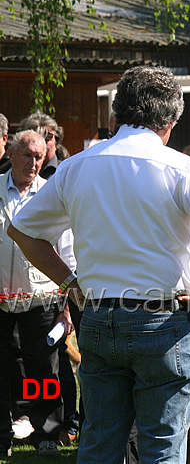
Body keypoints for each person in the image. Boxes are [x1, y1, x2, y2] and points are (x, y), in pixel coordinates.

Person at [7, 65, 190, 464]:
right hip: (164, 321)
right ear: (169, 122)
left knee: (99, 445)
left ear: (116, 114)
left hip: (100, 318)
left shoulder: (76, 165)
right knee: (163, 450)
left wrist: (69, 282)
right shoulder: (182, 168)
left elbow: (22, 230)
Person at [0, 130, 67, 458]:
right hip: (0, 299)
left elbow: (67, 253)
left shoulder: (51, 195)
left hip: (42, 299)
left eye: (39, 156)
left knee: (43, 370)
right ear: (10, 153)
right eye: (27, 155)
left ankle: (48, 433)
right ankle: (2, 436)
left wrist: (66, 309)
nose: (34, 162)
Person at [17, 111, 62, 179]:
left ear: (56, 141)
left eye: (48, 137)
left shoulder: (65, 171)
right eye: (35, 139)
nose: (42, 143)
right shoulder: (11, 170)